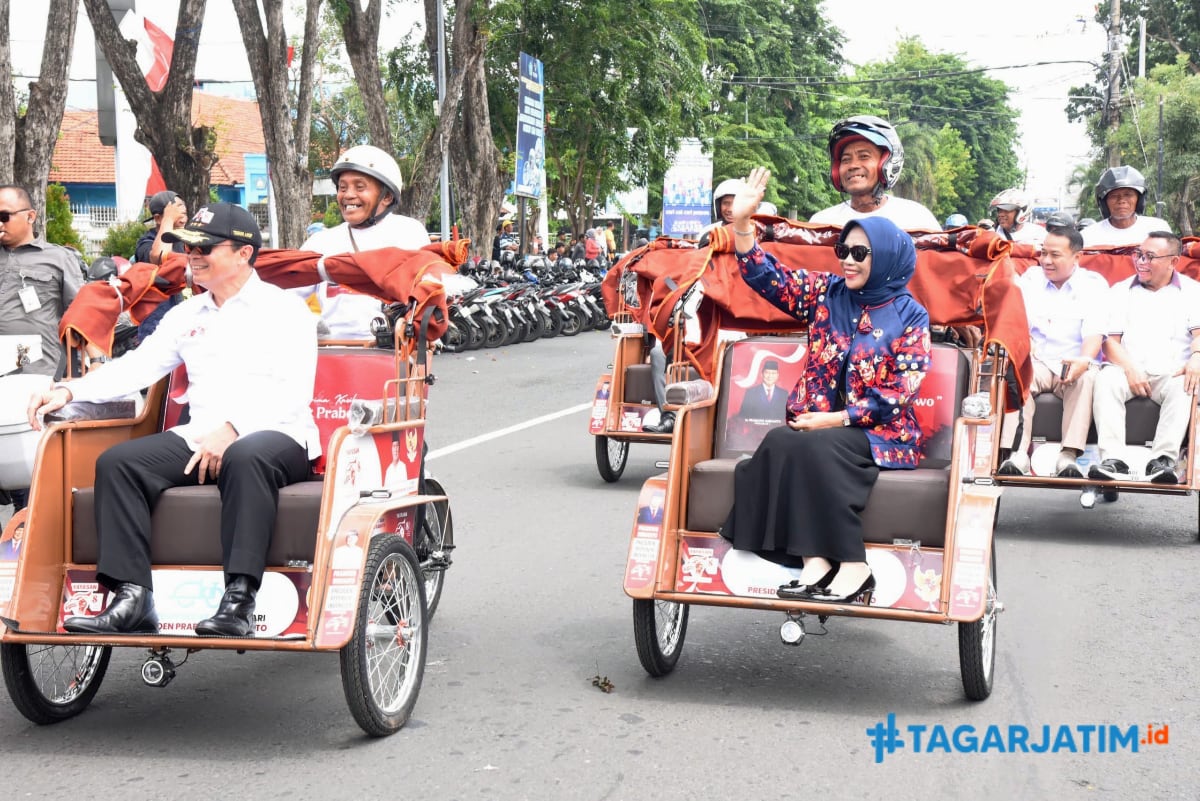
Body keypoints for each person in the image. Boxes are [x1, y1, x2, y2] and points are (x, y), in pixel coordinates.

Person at [27, 203, 320, 637]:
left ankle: (238, 600)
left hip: (278, 432)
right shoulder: (187, 314)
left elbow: (293, 389)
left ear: (243, 253)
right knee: (119, 464)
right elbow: (137, 367)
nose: (193, 256)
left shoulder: (285, 310)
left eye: (204, 248)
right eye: (188, 248)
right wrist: (70, 390)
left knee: (244, 455)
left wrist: (234, 428)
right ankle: (132, 596)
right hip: (201, 434)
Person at [721, 167, 931, 603]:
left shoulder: (910, 315)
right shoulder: (827, 294)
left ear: (887, 257)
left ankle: (854, 565)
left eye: (860, 252)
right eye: (843, 249)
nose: (848, 260)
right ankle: (813, 561)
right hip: (818, 423)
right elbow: (769, 278)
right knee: (780, 442)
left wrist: (835, 419)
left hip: (879, 432)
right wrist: (742, 224)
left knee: (816, 444)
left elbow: (899, 392)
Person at [1088, 231, 1200, 484]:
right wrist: (1129, 368)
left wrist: (1196, 358)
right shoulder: (1120, 290)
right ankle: (1113, 460)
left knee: (1187, 384)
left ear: (1173, 261)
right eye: (1139, 254)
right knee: (1105, 380)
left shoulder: (1193, 292)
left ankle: (1163, 461)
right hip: (1127, 368)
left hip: (1172, 371)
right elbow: (1110, 343)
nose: (1141, 262)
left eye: (1150, 257)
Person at [996, 226, 1107, 477]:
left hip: (1073, 361)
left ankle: (1068, 455)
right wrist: (1023, 345)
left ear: (1076, 257)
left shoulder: (1093, 285)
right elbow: (1016, 322)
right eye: (1043, 253)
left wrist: (1084, 360)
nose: (1046, 260)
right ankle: (1017, 454)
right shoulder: (1031, 280)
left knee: (1087, 377)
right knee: (1015, 371)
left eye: (1055, 255)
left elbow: (1094, 334)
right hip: (1037, 360)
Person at [0, 184, 85, 512]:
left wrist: (93, 362)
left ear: (30, 216)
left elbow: (80, 313)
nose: (0, 223)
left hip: (30, 367)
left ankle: (26, 536)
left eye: (4, 216)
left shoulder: (56, 257)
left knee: (26, 460)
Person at [299, 145, 430, 339]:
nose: (348, 195)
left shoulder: (409, 233)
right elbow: (285, 296)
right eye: (343, 187)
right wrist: (308, 323)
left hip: (394, 356)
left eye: (359, 187)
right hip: (333, 355)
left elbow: (430, 292)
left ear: (386, 196)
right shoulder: (319, 242)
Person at [808, 115, 940, 231]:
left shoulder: (916, 219)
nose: (853, 166)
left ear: (886, 162)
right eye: (846, 159)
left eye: (864, 156)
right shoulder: (821, 224)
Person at [134, 190, 188, 337]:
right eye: (176, 213)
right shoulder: (147, 244)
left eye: (184, 213)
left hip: (186, 324)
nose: (183, 218)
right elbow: (159, 256)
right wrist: (168, 220)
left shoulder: (188, 242)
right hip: (157, 326)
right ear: (158, 219)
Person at [1081, 166, 1172, 248]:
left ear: (1140, 199)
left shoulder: (1159, 228)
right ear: (1104, 202)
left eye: (1128, 195)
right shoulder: (1089, 236)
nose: (1121, 200)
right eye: (1114, 196)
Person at [734, 359, 787, 423]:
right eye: (767, 373)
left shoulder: (783, 394)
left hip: (776, 431)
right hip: (754, 431)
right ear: (761, 374)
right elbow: (743, 416)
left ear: (777, 376)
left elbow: (785, 418)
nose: (770, 376)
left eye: (773, 373)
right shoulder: (751, 392)